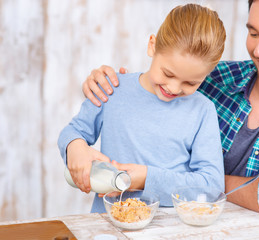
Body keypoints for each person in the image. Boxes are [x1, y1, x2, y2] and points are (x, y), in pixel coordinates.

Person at [82, 0, 259, 223]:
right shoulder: (215, 79)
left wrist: (207, 184)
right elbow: (160, 82)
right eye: (253, 32)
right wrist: (109, 82)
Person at [58, 3, 226, 213]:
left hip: (172, 228)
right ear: (152, 46)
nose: (174, 88)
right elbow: (73, 131)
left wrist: (146, 178)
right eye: (168, 73)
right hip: (109, 224)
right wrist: (75, 147)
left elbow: (211, 187)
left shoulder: (203, 111)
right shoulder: (111, 89)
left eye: (191, 83)